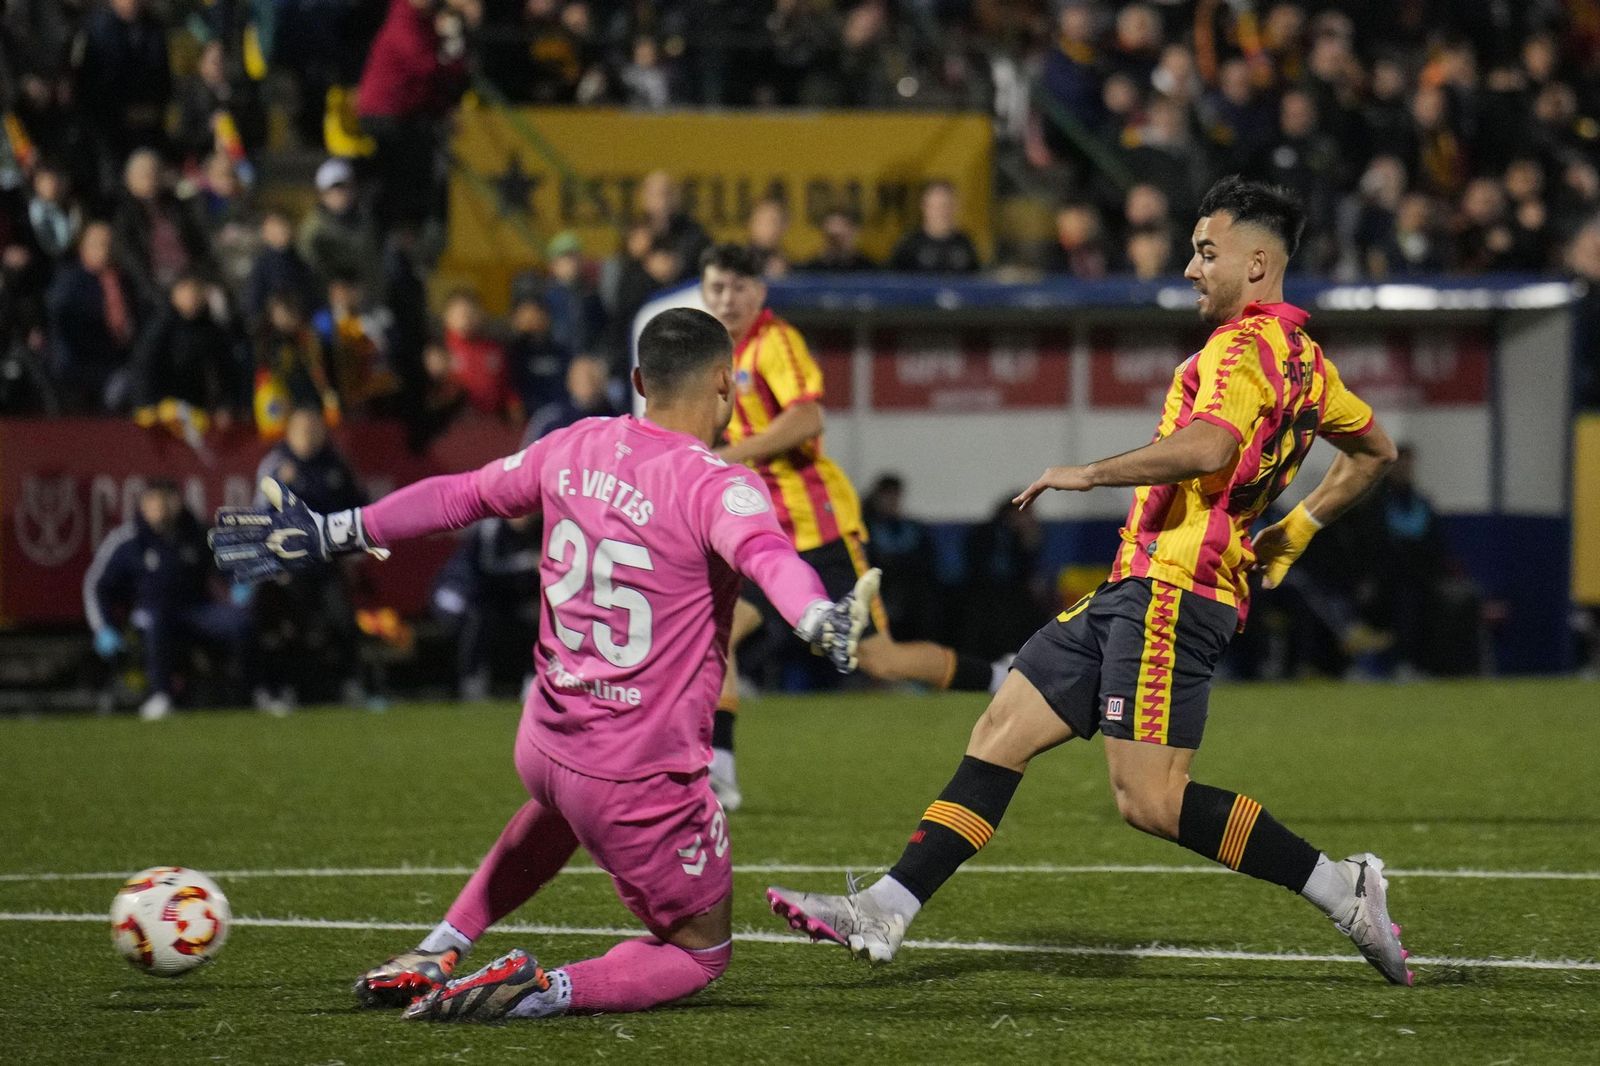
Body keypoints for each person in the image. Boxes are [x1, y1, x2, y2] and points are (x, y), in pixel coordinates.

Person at [766, 177, 1415, 989]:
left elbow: (1211, 446)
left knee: (1150, 800)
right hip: (1134, 587)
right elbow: (1375, 451)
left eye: (1205, 253)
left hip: (1173, 595)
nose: (1190, 268)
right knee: (1002, 726)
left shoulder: (1241, 347)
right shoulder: (1311, 366)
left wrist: (1088, 473)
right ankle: (887, 908)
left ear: (1257, 264)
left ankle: (1343, 888)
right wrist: (1297, 529)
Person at [209, 306, 877, 1022]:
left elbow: (459, 495)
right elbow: (769, 557)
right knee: (701, 952)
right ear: (725, 383)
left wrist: (336, 529)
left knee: (560, 809)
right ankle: (540, 990)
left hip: (547, 743)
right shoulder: (720, 485)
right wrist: (816, 614)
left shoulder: (574, 444)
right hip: (637, 776)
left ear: (637, 381)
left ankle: (439, 947)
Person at [699, 244, 1007, 810]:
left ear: (759, 293)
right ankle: (719, 770)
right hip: (760, 536)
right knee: (711, 632)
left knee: (879, 660)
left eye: (739, 287)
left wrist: (730, 456)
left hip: (816, 530)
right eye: (717, 287)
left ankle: (998, 679)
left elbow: (808, 416)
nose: (728, 299)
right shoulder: (713, 355)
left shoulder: (775, 342)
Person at [84, 479, 260, 721]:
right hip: (148, 613)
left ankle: (254, 691)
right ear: (144, 505)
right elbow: (97, 585)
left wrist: (241, 584)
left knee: (240, 622)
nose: (162, 508)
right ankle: (160, 695)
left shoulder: (197, 532)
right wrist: (103, 627)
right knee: (157, 621)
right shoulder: (127, 540)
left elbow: (233, 564)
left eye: (168, 500)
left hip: (195, 610)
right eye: (155, 501)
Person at [252, 405, 369, 706]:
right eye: (303, 430)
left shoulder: (335, 464)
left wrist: (354, 552)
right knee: (291, 624)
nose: (310, 436)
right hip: (289, 563)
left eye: (315, 429)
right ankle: (285, 688)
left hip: (327, 561)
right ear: (289, 433)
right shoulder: (276, 465)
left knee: (343, 620)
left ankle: (350, 683)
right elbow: (261, 517)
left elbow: (358, 508)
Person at [887, 181, 981, 273]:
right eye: (937, 207)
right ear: (925, 207)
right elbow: (891, 279)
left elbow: (977, 277)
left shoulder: (964, 244)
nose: (942, 212)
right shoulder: (909, 245)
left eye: (947, 206)